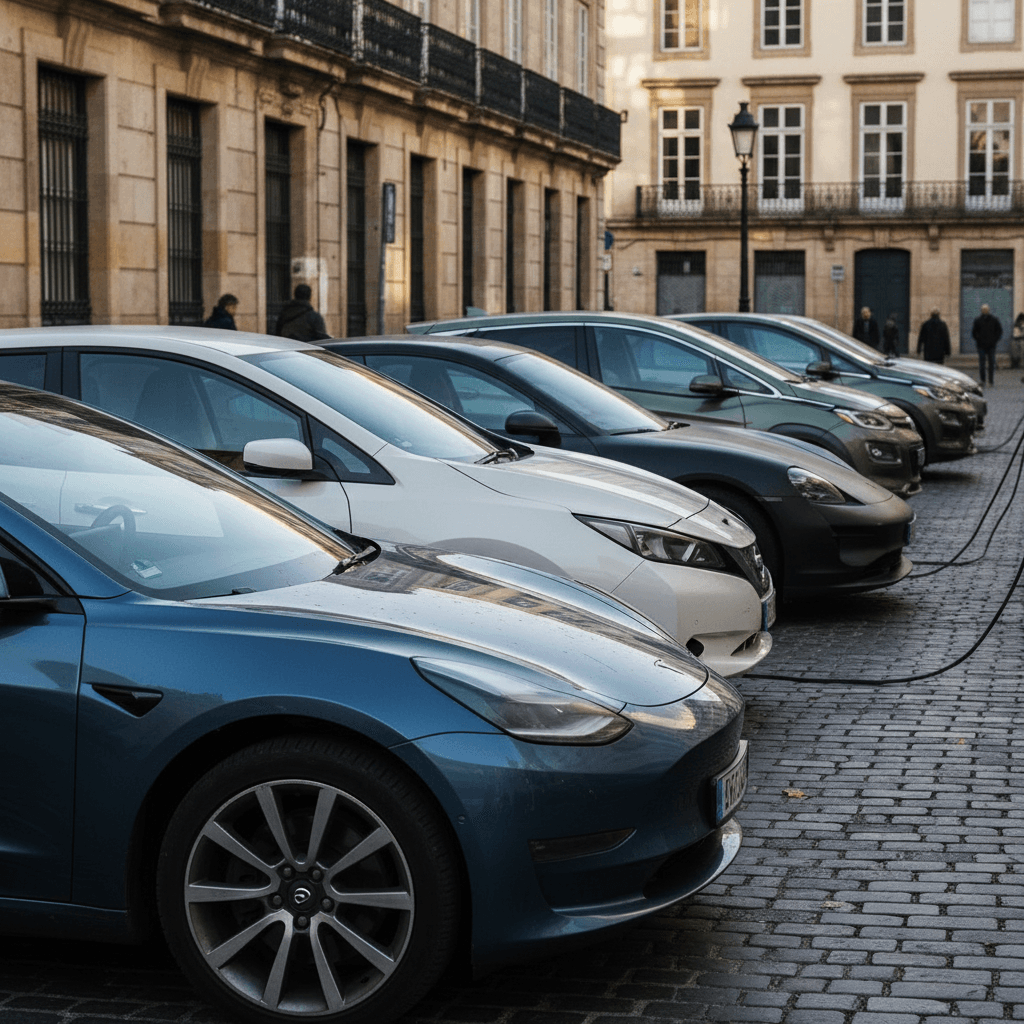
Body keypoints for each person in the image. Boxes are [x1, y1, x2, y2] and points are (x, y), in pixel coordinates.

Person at [971, 303, 1002, 387]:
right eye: (983, 309)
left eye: (986, 309)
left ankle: (991, 381)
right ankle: (983, 380)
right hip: (981, 345)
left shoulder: (994, 319)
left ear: (988, 310)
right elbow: (974, 332)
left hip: (991, 345)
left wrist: (994, 340)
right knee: (982, 364)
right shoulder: (977, 320)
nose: (985, 311)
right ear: (981, 310)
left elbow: (999, 331)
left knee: (991, 364)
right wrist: (979, 339)